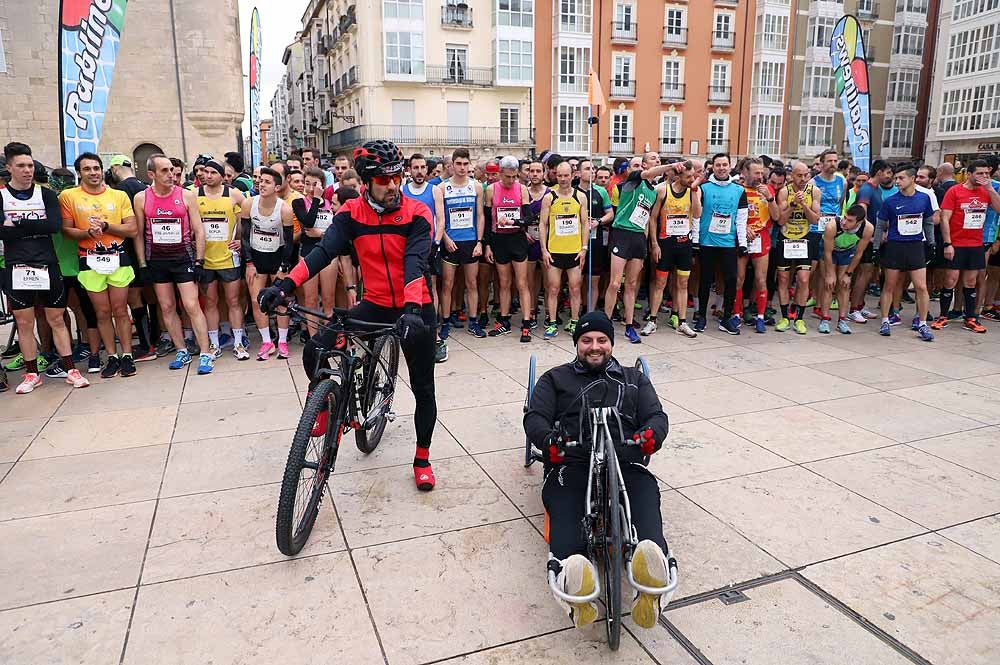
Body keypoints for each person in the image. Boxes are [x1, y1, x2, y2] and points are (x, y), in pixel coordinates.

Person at [258, 139, 439, 492]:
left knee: (423, 387)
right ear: (367, 181)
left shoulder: (417, 213)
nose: (393, 186)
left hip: (414, 307)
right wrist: (285, 285)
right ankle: (325, 407)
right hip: (374, 302)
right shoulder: (351, 213)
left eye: (397, 177)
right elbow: (323, 252)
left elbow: (415, 264)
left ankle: (422, 457)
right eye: (384, 180)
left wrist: (414, 310)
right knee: (315, 349)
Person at [523, 311, 670, 630]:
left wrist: (650, 437)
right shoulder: (555, 378)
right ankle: (572, 572)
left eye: (602, 340)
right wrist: (549, 441)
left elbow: (657, 416)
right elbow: (535, 418)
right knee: (564, 502)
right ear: (577, 344)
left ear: (612, 345)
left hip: (625, 458)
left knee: (645, 492)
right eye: (586, 340)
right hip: (572, 460)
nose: (594, 346)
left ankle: (651, 566)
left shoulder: (634, 378)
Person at [1, 142, 89, 393]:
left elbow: (52, 226)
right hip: (17, 266)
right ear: (10, 168)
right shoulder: (1, 196)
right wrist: (32, 222)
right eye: (21, 166)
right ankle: (32, 374)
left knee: (56, 318)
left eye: (30, 165)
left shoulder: (47, 195)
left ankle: (70, 368)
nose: (27, 170)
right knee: (25, 322)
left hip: (47, 264)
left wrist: (15, 224)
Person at [60, 152, 139, 378]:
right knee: (102, 312)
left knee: (120, 310)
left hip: (118, 259)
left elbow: (132, 229)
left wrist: (106, 227)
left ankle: (127, 356)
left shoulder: (119, 195)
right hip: (89, 259)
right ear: (79, 173)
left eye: (96, 168)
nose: (93, 173)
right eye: (87, 169)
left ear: (102, 170)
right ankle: (112, 357)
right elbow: (66, 230)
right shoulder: (69, 196)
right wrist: (87, 233)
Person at [603, 156, 673, 343]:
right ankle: (606, 324)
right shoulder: (635, 178)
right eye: (653, 159)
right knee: (615, 283)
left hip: (638, 238)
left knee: (632, 285)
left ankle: (628, 326)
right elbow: (650, 173)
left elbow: (647, 219)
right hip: (622, 234)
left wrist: (649, 242)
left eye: (659, 160)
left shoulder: (654, 192)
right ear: (644, 165)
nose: (657, 162)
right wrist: (673, 164)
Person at [934, 160, 1000, 333]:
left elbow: (999, 209)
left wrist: (991, 189)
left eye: (987, 173)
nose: (984, 177)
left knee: (971, 282)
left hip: (976, 244)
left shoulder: (986, 192)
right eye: (980, 173)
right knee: (950, 280)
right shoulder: (954, 191)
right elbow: (944, 219)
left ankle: (970, 317)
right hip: (956, 244)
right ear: (969, 174)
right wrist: (948, 243)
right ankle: (943, 316)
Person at [874, 165, 936, 341]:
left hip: (916, 246)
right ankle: (886, 320)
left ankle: (923, 323)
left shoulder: (924, 198)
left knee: (921, 287)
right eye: (896, 178)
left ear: (912, 179)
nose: (897, 181)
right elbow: (880, 225)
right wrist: (876, 248)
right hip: (895, 246)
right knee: (890, 285)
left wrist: (931, 243)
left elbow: (929, 222)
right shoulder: (891, 201)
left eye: (901, 178)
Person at [242, 167, 296, 360]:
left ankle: (282, 341)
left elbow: (289, 242)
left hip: (277, 258)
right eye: (260, 181)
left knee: (281, 301)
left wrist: (284, 266)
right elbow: (245, 236)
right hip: (256, 258)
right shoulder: (249, 204)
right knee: (258, 301)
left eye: (267, 182)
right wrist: (249, 263)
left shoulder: (285, 209)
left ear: (277, 186)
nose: (261, 184)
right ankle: (267, 342)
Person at [197, 159, 249, 360]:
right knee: (210, 302)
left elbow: (247, 218)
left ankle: (238, 343)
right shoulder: (195, 195)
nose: (208, 176)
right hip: (206, 258)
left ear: (222, 175)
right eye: (205, 172)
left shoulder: (234, 194)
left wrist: (241, 242)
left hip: (229, 257)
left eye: (213, 172)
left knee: (233, 301)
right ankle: (214, 344)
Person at [692, 153, 749, 335]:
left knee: (731, 280)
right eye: (718, 165)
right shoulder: (704, 188)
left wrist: (743, 243)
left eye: (725, 164)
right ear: (713, 167)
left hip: (728, 242)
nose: (722, 168)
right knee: (705, 280)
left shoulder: (739, 190)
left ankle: (727, 318)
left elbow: (741, 219)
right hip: (707, 242)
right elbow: (696, 215)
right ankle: (701, 316)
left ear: (730, 166)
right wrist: (695, 241)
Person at [435, 148, 487, 340]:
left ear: (469, 164)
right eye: (459, 164)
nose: (462, 168)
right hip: (451, 242)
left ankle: (473, 322)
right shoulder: (441, 188)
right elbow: (439, 218)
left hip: (471, 241)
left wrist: (479, 242)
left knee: (471, 283)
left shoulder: (477, 186)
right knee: (447, 285)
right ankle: (446, 322)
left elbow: (480, 216)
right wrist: (445, 239)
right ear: (452, 165)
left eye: (466, 164)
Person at [646, 160, 700, 338]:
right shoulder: (662, 190)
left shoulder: (694, 190)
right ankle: (652, 320)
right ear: (678, 176)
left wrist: (694, 192)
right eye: (687, 177)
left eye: (692, 176)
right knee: (660, 283)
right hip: (666, 244)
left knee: (683, 283)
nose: (691, 179)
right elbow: (653, 219)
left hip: (684, 244)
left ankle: (682, 321)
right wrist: (654, 244)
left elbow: (697, 214)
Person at [483, 156, 534, 339]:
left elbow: (529, 218)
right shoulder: (491, 190)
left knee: (521, 283)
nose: (510, 181)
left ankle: (526, 322)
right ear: (500, 174)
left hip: (517, 239)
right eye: (507, 177)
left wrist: (514, 221)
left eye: (514, 177)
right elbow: (488, 220)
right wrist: (487, 245)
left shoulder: (521, 189)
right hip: (499, 240)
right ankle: (503, 320)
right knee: (504, 283)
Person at [539, 162, 589, 338]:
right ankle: (552, 323)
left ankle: (574, 322)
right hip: (555, 251)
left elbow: (585, 223)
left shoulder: (580, 196)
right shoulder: (549, 197)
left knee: (575, 288)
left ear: (572, 175)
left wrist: (584, 248)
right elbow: (543, 224)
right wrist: (544, 250)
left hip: (574, 251)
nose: (562, 179)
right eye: (559, 175)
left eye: (566, 175)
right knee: (553, 288)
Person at [774, 162, 822, 334]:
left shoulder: (814, 191)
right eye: (799, 175)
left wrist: (804, 206)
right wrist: (793, 204)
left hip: (804, 238)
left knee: (803, 279)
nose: (802, 179)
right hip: (786, 237)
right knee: (783, 279)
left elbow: (816, 219)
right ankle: (785, 316)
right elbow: (780, 220)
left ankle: (799, 319)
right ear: (791, 176)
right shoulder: (785, 192)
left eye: (805, 175)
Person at [738, 157, 779, 334]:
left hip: (761, 237)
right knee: (739, 279)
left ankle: (760, 317)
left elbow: (776, 217)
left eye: (762, 173)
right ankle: (736, 315)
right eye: (756, 173)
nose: (760, 176)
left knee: (761, 279)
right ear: (745, 172)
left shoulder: (768, 190)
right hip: (741, 236)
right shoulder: (738, 190)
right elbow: (732, 214)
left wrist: (770, 199)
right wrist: (744, 227)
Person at [821, 205, 873, 335]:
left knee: (844, 285)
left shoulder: (867, 228)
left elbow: (858, 254)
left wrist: (848, 274)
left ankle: (842, 320)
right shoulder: (832, 226)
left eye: (850, 221)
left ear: (859, 222)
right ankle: (825, 319)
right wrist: (829, 273)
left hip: (847, 251)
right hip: (831, 251)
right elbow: (827, 253)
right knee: (829, 284)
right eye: (845, 218)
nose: (844, 222)